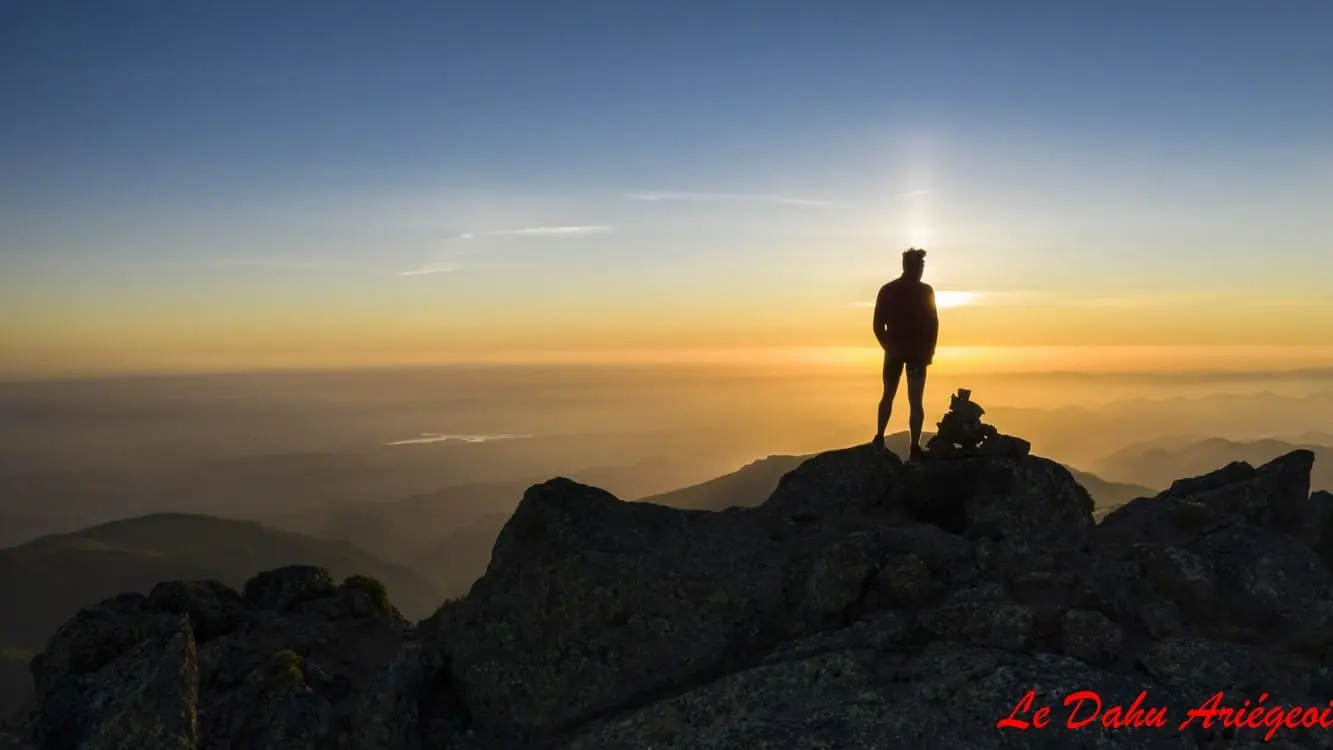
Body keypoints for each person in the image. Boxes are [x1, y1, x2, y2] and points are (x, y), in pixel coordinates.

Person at [872, 247, 939, 460]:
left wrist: (888, 346)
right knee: (915, 400)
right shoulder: (925, 291)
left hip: (895, 353)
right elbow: (933, 324)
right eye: (919, 265)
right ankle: (914, 447)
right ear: (913, 266)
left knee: (888, 395)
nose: (921, 269)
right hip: (917, 354)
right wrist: (929, 350)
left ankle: (880, 437)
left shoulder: (888, 290)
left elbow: (877, 325)